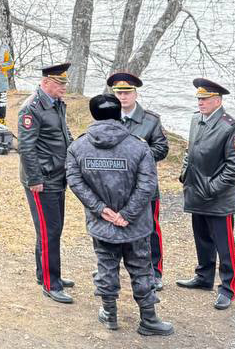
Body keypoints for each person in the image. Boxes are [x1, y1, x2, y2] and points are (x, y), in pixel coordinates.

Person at [66, 94, 175, 336]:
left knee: (106, 266)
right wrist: (126, 215)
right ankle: (148, 319)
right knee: (141, 268)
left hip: (102, 223)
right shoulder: (139, 145)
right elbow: (147, 184)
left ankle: (110, 314)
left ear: (94, 115)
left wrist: (101, 209)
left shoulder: (78, 146)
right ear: (118, 114)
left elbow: (74, 181)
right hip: (134, 224)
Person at [176, 78, 235, 310]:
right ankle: (204, 277)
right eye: (198, 98)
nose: (200, 102)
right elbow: (191, 151)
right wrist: (185, 173)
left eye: (205, 99)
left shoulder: (231, 127)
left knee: (224, 246)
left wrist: (211, 188)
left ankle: (227, 288)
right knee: (202, 239)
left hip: (218, 198)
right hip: (196, 192)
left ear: (218, 100)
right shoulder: (196, 119)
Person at [18, 62, 75, 303]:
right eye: (59, 83)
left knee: (52, 229)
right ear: (45, 83)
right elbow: (26, 147)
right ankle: (52, 284)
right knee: (49, 230)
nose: (63, 87)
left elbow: (63, 133)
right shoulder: (32, 108)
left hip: (57, 174)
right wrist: (34, 179)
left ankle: (45, 273)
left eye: (64, 83)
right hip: (42, 179)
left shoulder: (56, 104)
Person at [107, 72, 169, 289]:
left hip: (143, 185)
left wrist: (138, 155)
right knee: (112, 227)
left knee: (150, 228)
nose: (122, 97)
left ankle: (155, 271)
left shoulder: (151, 120)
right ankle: (111, 268)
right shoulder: (109, 117)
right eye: (118, 93)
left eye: (126, 92)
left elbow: (162, 149)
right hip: (115, 187)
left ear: (135, 93)